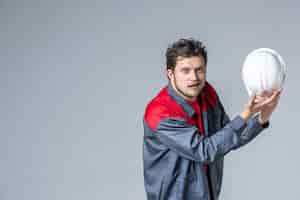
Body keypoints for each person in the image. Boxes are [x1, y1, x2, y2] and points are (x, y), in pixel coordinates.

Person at [142, 38, 281, 200]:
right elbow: (205, 151)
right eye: (185, 71)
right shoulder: (160, 113)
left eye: (199, 70)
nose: (194, 77)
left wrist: (263, 116)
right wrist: (246, 114)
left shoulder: (207, 93)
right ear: (170, 74)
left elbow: (229, 138)